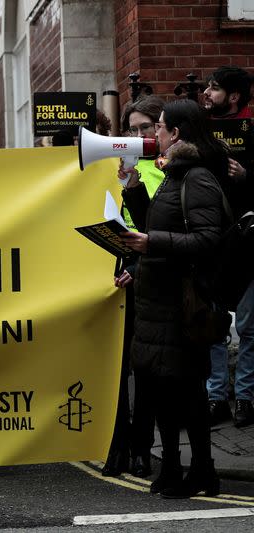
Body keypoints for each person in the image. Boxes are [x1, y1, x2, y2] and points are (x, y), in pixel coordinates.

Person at [120, 99, 227, 498]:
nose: (154, 134)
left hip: (179, 305)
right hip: (160, 301)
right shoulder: (175, 173)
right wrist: (132, 187)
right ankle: (186, 470)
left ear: (176, 134)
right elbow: (157, 220)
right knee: (171, 393)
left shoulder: (196, 177)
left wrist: (151, 243)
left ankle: (194, 471)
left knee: (182, 394)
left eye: (159, 127)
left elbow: (207, 238)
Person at [102, 97, 165, 479]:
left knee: (144, 372)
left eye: (147, 128)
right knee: (112, 368)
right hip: (113, 274)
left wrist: (137, 266)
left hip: (146, 277)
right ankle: (116, 446)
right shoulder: (111, 166)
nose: (139, 136)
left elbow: (159, 229)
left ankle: (142, 448)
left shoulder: (164, 170)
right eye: (133, 129)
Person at [202, 66, 254, 428]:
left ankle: (246, 398)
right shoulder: (203, 129)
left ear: (234, 96)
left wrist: (247, 176)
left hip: (250, 242)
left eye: (214, 88)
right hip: (216, 241)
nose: (206, 92)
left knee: (250, 325)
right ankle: (215, 396)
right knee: (214, 323)